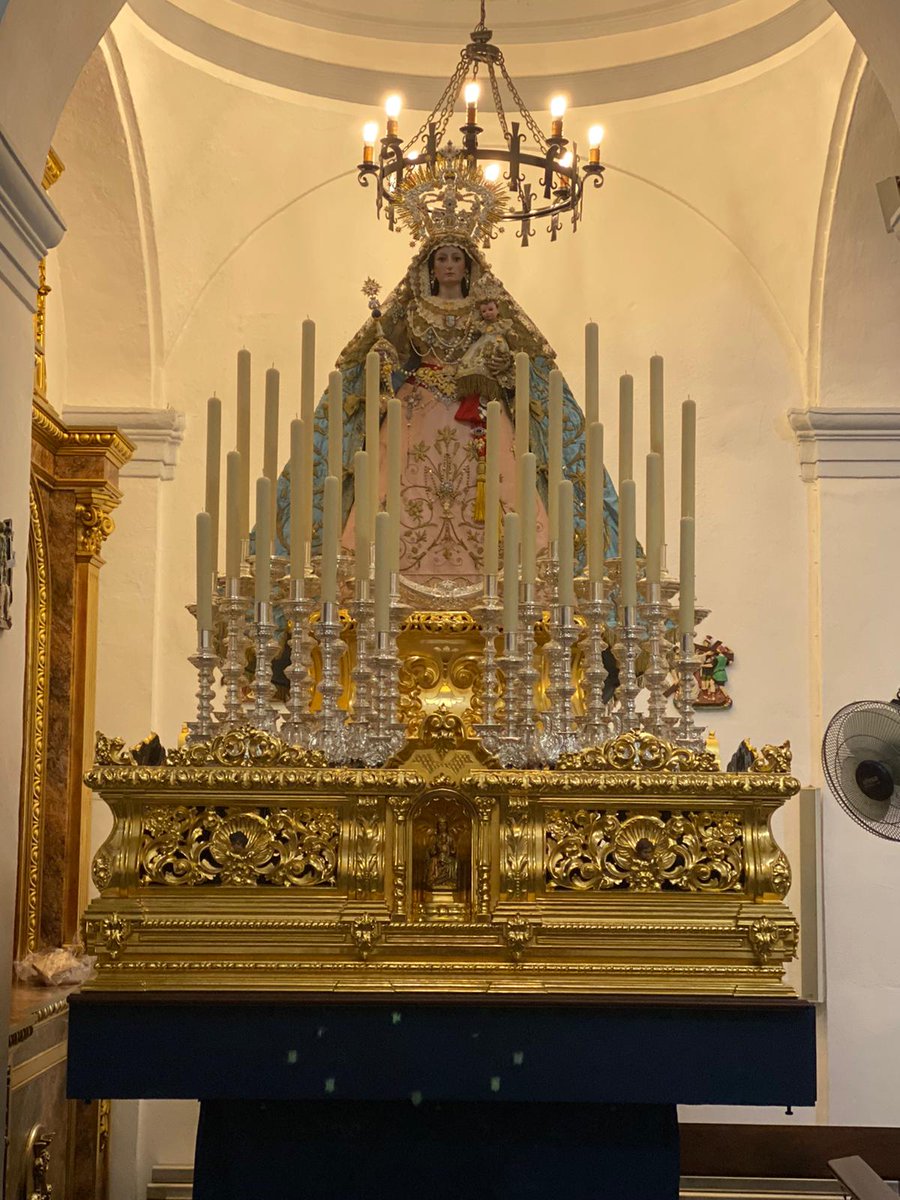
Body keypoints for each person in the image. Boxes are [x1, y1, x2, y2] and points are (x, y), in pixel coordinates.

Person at [274, 151, 620, 601]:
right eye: (442, 259)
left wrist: (497, 358)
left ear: (469, 264)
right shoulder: (412, 308)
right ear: (430, 267)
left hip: (479, 417)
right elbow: (379, 359)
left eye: (457, 258)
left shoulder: (488, 312)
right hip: (417, 411)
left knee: (500, 488)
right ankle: (388, 583)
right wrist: (380, 360)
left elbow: (523, 364)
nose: (450, 266)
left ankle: (506, 585)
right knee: (396, 486)